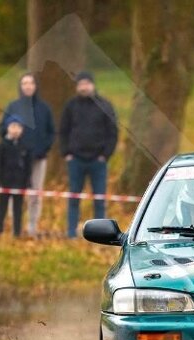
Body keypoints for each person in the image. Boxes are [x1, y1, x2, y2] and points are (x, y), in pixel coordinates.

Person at [58, 71, 118, 238]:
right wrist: (66, 153)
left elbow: (113, 132)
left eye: (86, 84)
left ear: (92, 85)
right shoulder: (70, 106)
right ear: (77, 87)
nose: (84, 87)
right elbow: (63, 131)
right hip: (75, 160)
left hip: (98, 161)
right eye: (80, 84)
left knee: (99, 199)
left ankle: (100, 235)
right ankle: (71, 232)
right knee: (74, 198)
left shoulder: (105, 105)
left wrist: (105, 155)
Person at [0, 73, 55, 237]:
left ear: (36, 86)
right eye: (24, 83)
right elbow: (3, 129)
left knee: (35, 193)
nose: (28, 86)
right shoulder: (13, 107)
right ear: (20, 86)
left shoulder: (44, 108)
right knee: (14, 194)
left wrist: (43, 149)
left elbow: (51, 132)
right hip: (16, 160)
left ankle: (32, 227)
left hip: (38, 158)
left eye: (31, 83)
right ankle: (14, 227)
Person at [0, 117, 31, 238]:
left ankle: (17, 233)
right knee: (2, 207)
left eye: (18, 127)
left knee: (18, 209)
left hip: (19, 182)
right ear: (8, 128)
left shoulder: (25, 146)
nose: (15, 130)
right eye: (13, 126)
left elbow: (28, 167)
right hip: (5, 181)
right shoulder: (2, 146)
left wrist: (28, 182)